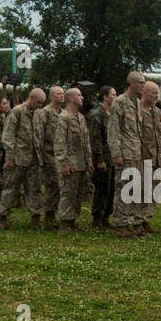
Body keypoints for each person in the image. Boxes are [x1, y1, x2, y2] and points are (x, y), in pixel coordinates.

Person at [0, 87, 44, 229]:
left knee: (34, 189)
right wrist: (10, 157)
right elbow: (8, 136)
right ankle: (2, 217)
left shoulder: (37, 114)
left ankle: (35, 217)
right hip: (17, 159)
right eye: (39, 102)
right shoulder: (17, 112)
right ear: (31, 98)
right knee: (10, 188)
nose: (40, 105)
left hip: (33, 159)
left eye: (42, 103)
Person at [109, 71, 147, 238]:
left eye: (144, 83)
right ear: (131, 82)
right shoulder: (120, 102)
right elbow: (114, 129)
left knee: (133, 188)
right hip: (124, 152)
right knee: (123, 187)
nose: (142, 86)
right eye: (140, 83)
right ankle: (121, 224)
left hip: (136, 152)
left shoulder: (137, 103)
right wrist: (116, 153)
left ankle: (130, 221)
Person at [54, 87, 93, 231]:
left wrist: (89, 161)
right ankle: (64, 221)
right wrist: (63, 163)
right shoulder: (63, 117)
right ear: (70, 98)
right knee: (67, 193)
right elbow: (60, 142)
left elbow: (86, 141)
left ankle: (72, 220)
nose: (82, 98)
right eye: (79, 95)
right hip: (70, 163)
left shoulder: (81, 117)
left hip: (81, 163)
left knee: (77, 194)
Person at [136, 80, 161, 234]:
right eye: (153, 93)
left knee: (153, 190)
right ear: (144, 92)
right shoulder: (137, 111)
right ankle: (137, 222)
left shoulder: (157, 112)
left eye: (157, 93)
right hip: (142, 158)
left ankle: (146, 219)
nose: (156, 96)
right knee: (141, 190)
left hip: (156, 158)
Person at [35, 85, 65, 228]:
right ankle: (49, 216)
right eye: (59, 94)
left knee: (60, 185)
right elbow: (39, 135)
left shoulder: (63, 113)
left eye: (63, 93)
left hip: (61, 156)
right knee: (52, 185)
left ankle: (56, 213)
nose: (62, 96)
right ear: (52, 96)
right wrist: (40, 157)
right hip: (48, 154)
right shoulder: (45, 113)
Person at [89, 86, 115, 229]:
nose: (115, 97)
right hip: (103, 158)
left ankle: (106, 216)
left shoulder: (114, 114)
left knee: (112, 189)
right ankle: (97, 217)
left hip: (113, 158)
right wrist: (99, 160)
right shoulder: (97, 115)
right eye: (113, 95)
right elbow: (96, 139)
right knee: (102, 189)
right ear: (105, 97)